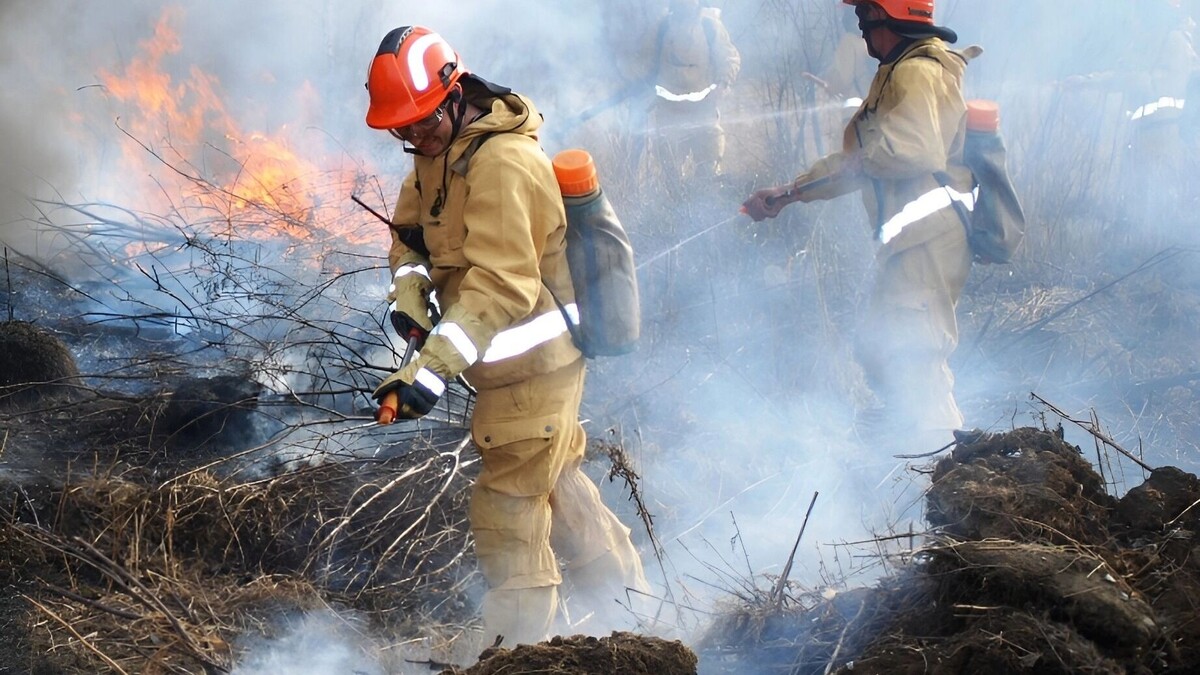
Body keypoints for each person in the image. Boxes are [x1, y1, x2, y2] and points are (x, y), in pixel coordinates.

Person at [363, 25, 650, 647]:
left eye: (420, 124)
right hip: (503, 367)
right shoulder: (435, 152)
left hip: (536, 366)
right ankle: (638, 622)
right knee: (558, 485)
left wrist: (429, 369)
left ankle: (516, 656)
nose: (412, 138)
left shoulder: (503, 165)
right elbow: (410, 237)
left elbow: (501, 287)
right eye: (401, 130)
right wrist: (410, 295)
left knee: (507, 509)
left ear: (453, 94)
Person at [742, 0, 978, 453]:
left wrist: (828, 178)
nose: (860, 28)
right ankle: (919, 440)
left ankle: (942, 465)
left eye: (864, 16)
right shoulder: (904, 67)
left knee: (913, 352)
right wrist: (792, 192)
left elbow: (912, 151)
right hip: (917, 239)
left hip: (928, 241)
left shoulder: (914, 72)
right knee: (883, 345)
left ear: (884, 16)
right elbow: (866, 159)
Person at [649, 0, 741, 180]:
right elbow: (646, 63)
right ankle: (674, 206)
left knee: (708, 170)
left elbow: (729, 57)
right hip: (669, 110)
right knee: (670, 174)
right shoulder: (662, 27)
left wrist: (723, 83)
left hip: (703, 109)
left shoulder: (710, 26)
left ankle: (707, 203)